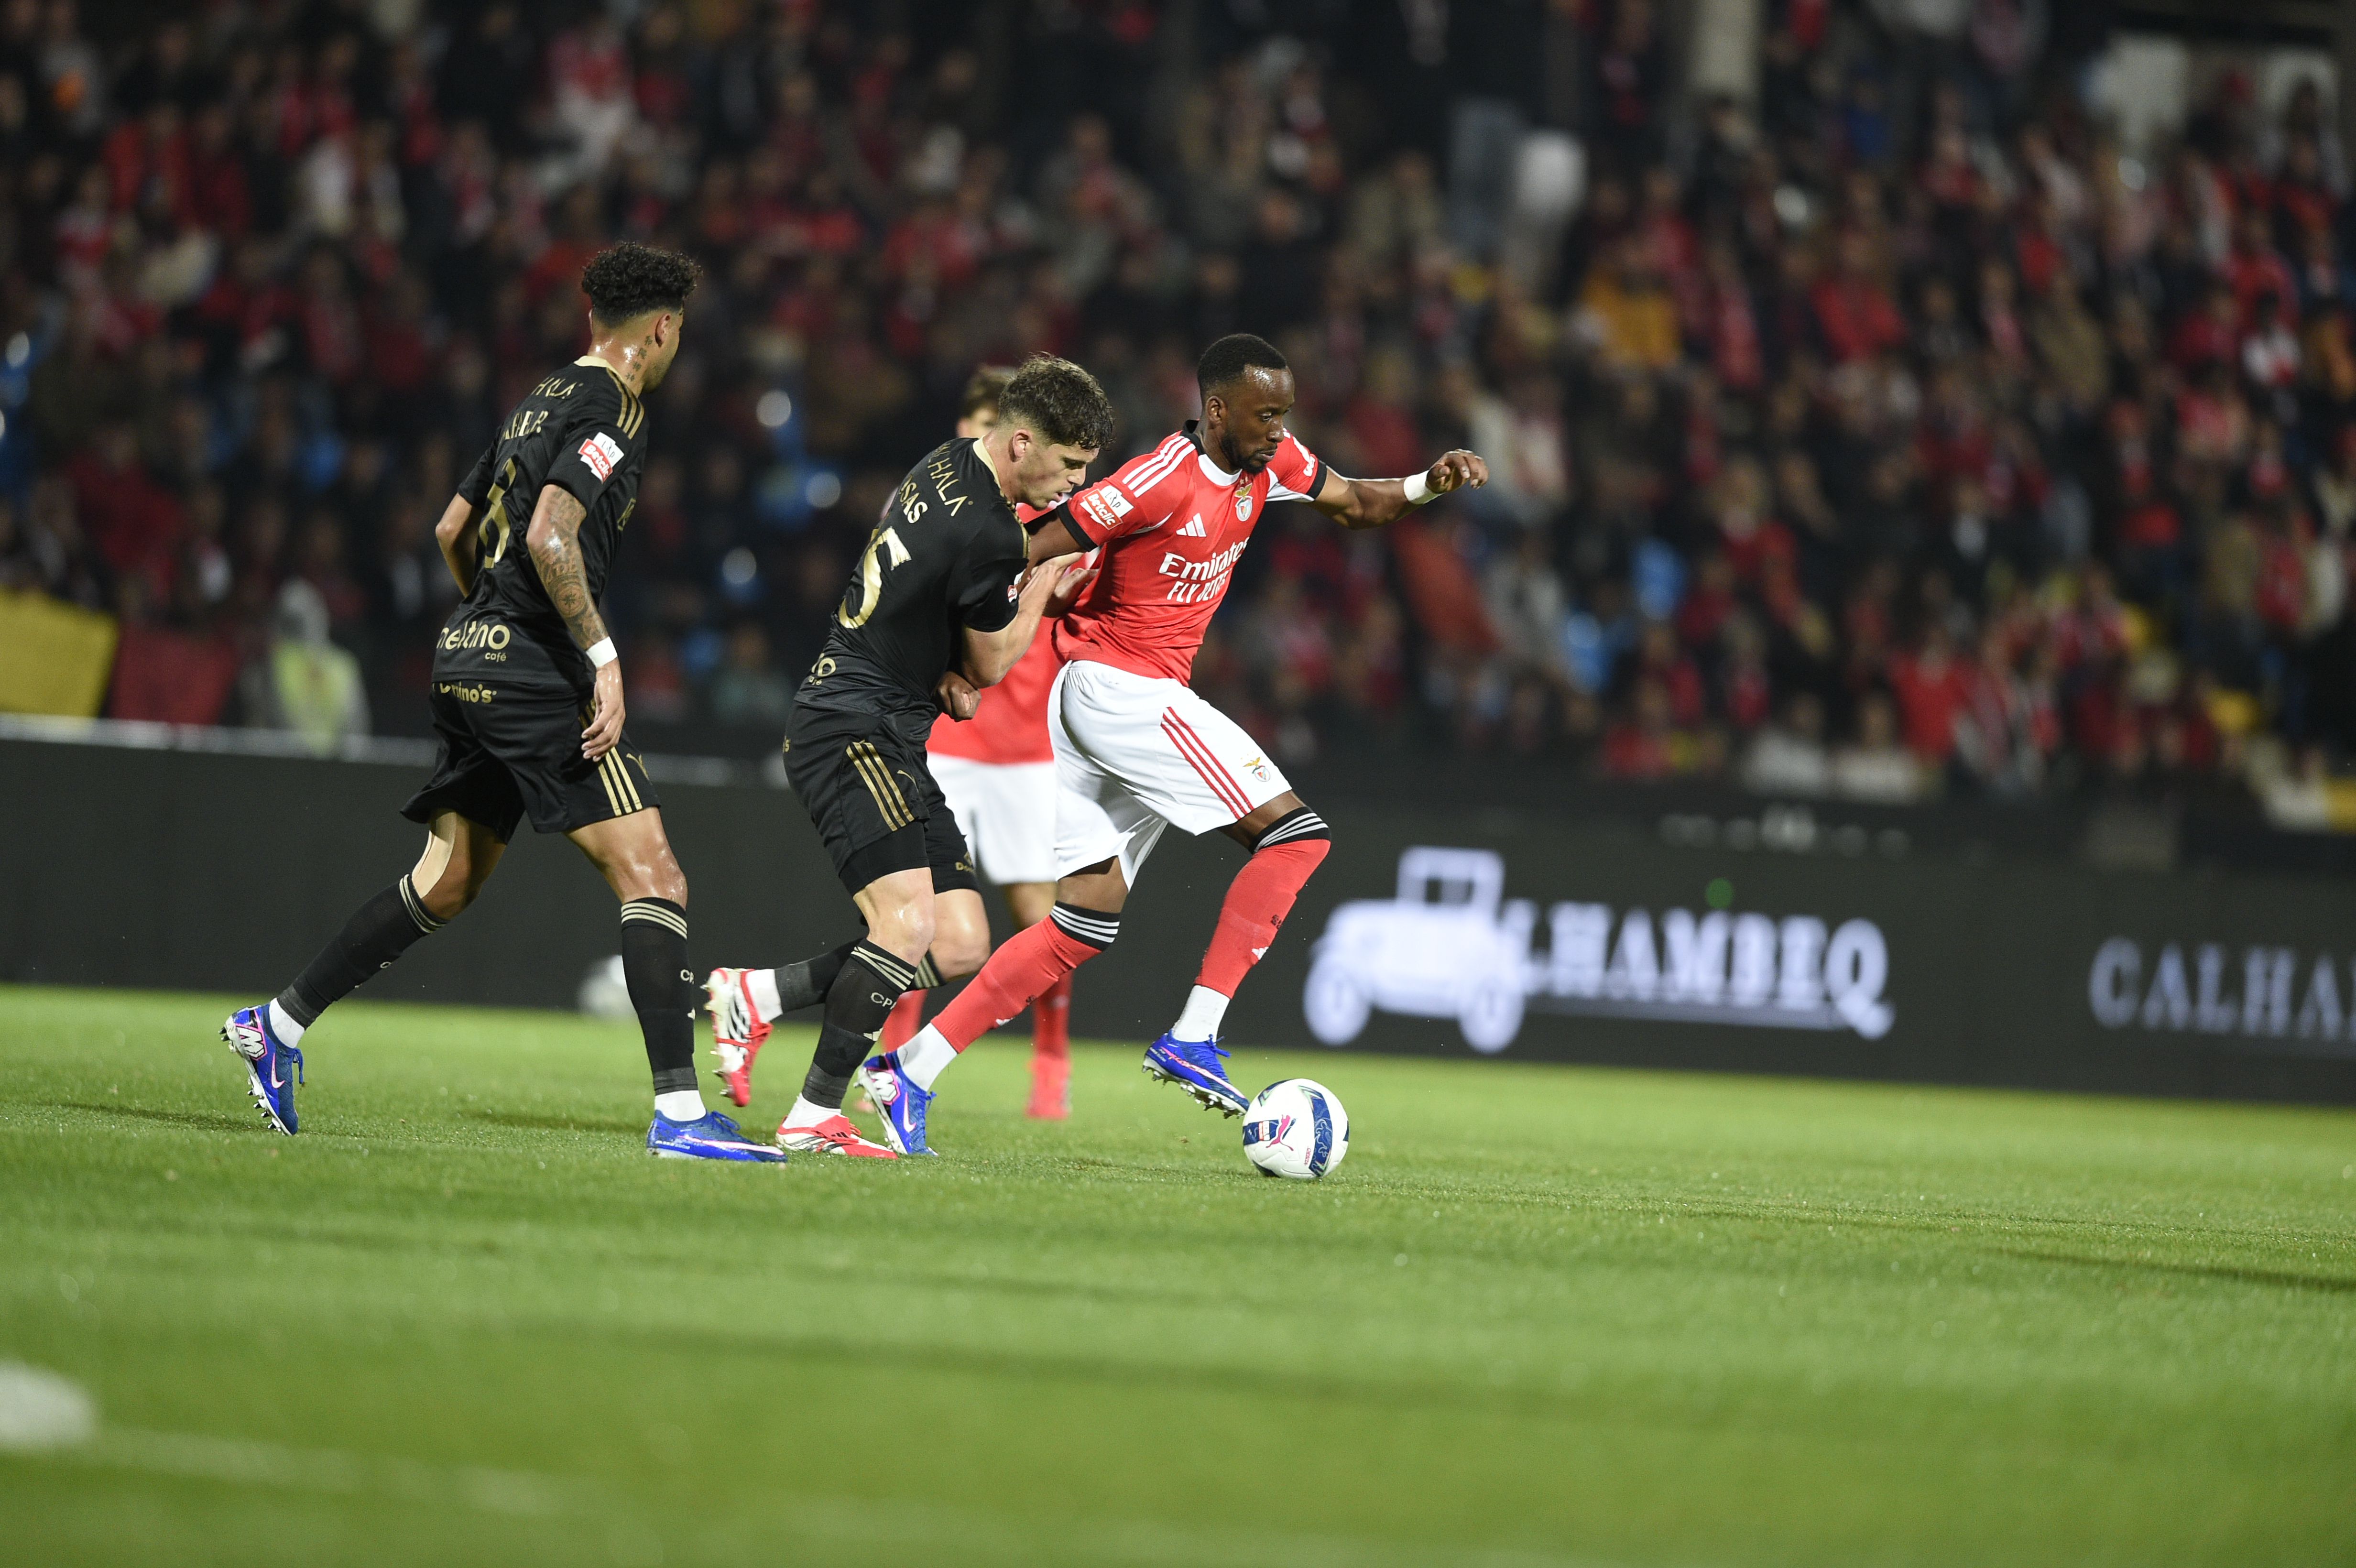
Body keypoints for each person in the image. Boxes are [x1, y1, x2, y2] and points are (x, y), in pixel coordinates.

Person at [218, 245, 786, 1161]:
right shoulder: (616, 405)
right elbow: (551, 531)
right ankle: (682, 1117)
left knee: (445, 881)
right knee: (656, 876)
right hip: (535, 667)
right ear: (663, 329)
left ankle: (276, 1028)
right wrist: (600, 656)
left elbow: (454, 527)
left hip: (469, 654)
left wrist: (486, 617)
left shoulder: (540, 398)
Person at [858, 333, 1485, 1155]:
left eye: (1285, 415)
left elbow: (1359, 504)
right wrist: (953, 648)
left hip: (1111, 701)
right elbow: (1034, 542)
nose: (1278, 430)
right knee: (1298, 839)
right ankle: (1195, 1033)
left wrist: (1424, 484)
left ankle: (909, 1070)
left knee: (1080, 924)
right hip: (1122, 692)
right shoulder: (1157, 479)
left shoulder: (1274, 463)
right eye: (1265, 415)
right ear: (1217, 410)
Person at [706, 354, 1112, 1157]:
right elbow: (995, 666)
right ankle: (815, 1112)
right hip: (852, 728)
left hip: (886, 723)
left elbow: (920, 603)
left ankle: (758, 994)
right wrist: (1048, 574)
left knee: (958, 942)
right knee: (906, 923)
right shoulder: (996, 531)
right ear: (1023, 442)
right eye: (1068, 467)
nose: (1072, 487)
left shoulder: (944, 464)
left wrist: (942, 671)